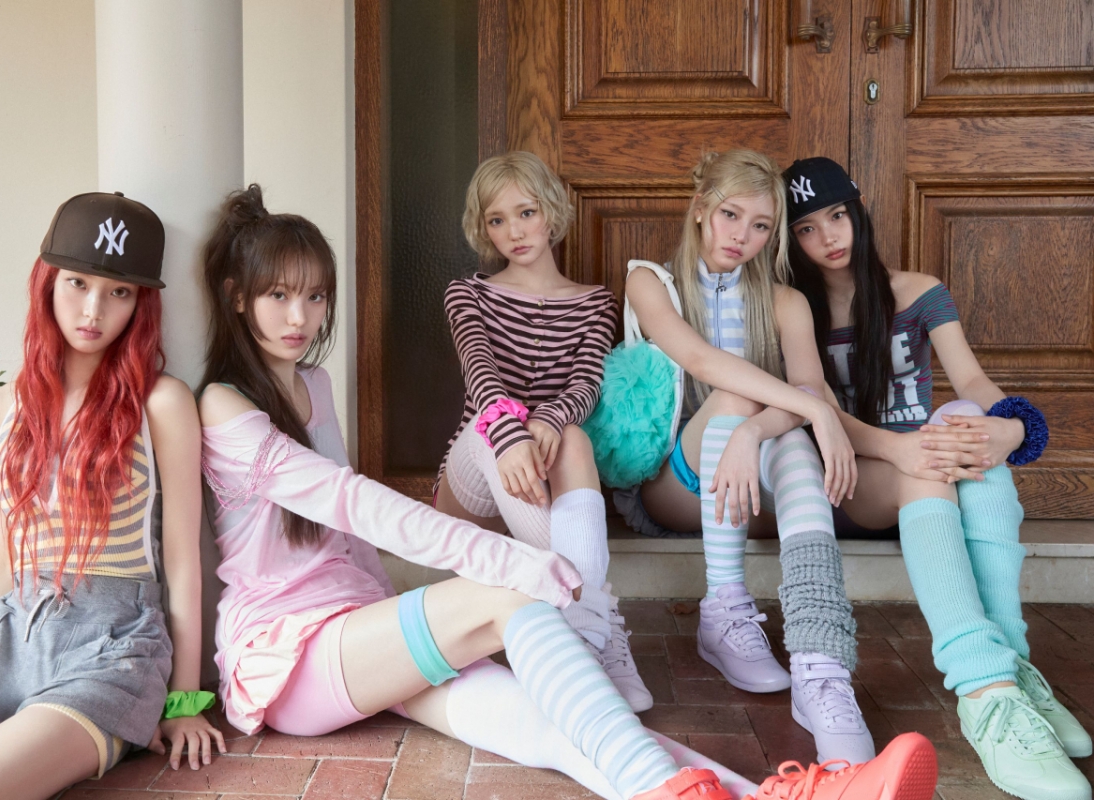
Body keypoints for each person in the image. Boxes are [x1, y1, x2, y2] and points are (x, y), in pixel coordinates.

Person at [196, 183, 938, 800]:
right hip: (288, 655)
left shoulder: (314, 385)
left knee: (566, 724)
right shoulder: (225, 406)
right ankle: (596, 632)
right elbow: (354, 504)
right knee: (510, 595)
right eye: (278, 296)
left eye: (314, 297)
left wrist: (391, 599)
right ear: (236, 299)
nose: (300, 317)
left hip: (362, 630)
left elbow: (349, 543)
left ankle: (769, 794)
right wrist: (516, 560)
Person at [0, 192, 223, 800]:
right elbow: (5, 557)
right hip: (6, 634)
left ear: (141, 304)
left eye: (119, 292)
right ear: (46, 281)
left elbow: (182, 563)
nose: (94, 309)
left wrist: (183, 701)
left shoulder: (160, 403)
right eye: (77, 283)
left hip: (112, 650)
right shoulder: (6, 407)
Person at [784, 156, 1092, 800]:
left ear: (858, 212)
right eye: (807, 227)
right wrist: (899, 450)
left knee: (963, 418)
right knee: (934, 454)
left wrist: (1011, 428)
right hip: (853, 478)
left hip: (929, 466)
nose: (829, 236)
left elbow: (972, 380)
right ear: (791, 239)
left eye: (837, 216)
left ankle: (1012, 673)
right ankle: (984, 692)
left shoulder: (920, 292)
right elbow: (819, 414)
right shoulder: (794, 309)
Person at [621, 150, 872, 765]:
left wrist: (755, 429)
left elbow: (802, 400)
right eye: (730, 215)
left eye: (761, 225)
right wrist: (811, 409)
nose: (742, 235)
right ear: (700, 209)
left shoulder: (785, 302)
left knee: (791, 445)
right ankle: (723, 609)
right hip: (672, 485)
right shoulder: (651, 282)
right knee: (745, 404)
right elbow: (701, 362)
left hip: (749, 484)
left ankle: (820, 662)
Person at [433, 151, 649, 710]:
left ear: (551, 211)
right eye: (497, 219)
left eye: (525, 213)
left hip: (545, 486)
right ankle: (599, 620)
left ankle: (584, 637)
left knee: (573, 435)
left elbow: (586, 384)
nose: (514, 231)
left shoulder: (596, 304)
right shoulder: (467, 293)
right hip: (474, 484)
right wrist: (512, 434)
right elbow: (480, 373)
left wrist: (550, 418)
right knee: (490, 430)